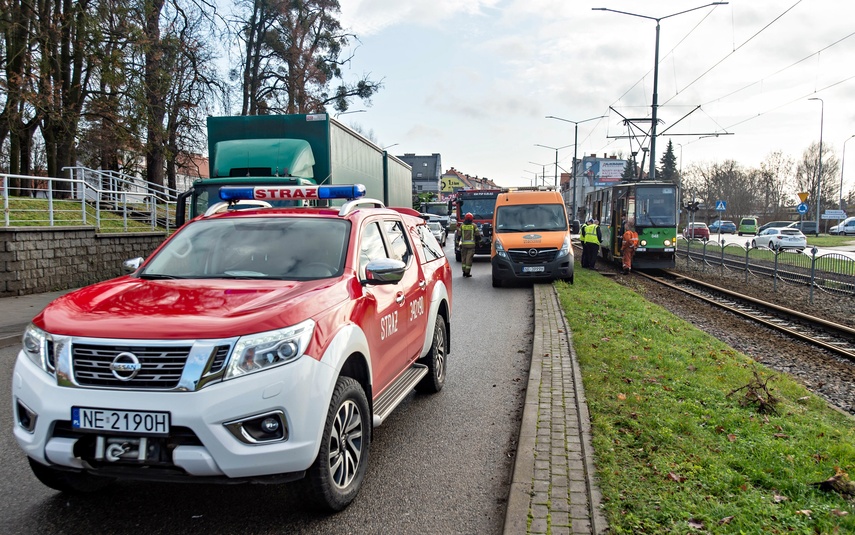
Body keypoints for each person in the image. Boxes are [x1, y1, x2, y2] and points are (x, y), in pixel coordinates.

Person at [456, 212, 481, 277]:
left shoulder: (462, 226)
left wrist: (457, 243)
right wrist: (480, 242)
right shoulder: (474, 226)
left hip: (463, 245)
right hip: (471, 246)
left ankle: (464, 271)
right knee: (469, 259)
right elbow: (478, 235)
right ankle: (467, 272)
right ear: (471, 219)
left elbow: (458, 235)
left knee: (463, 258)